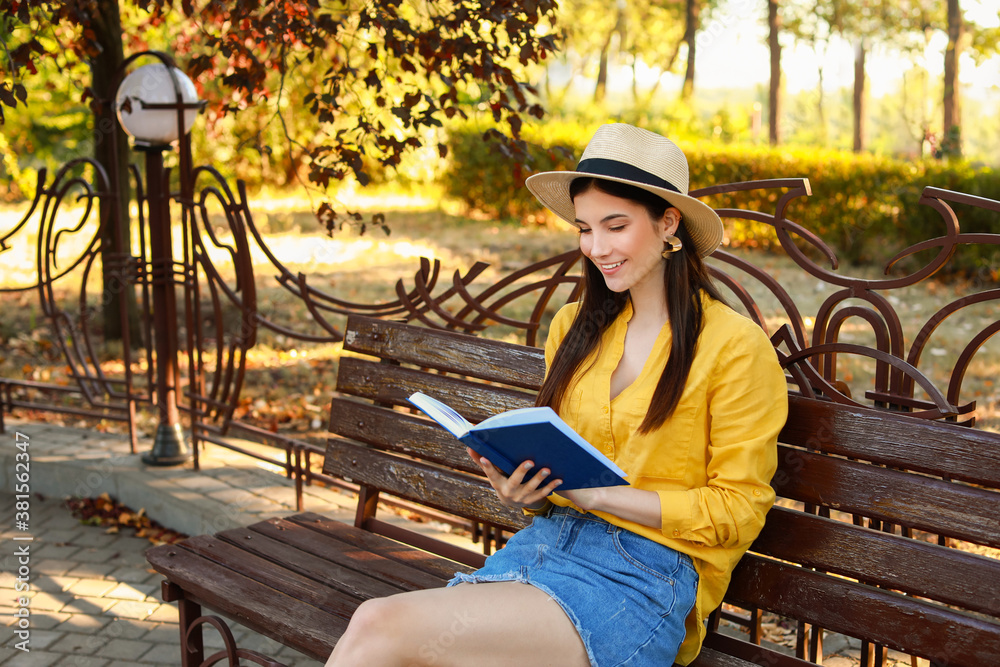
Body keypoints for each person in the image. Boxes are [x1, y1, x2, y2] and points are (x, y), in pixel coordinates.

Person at [325, 123, 788, 666]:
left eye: (616, 226)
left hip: (643, 576)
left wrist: (599, 498)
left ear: (668, 223)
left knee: (379, 625)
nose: (597, 248)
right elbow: (562, 459)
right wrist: (526, 487)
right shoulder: (575, 326)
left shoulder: (733, 346)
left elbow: (739, 508)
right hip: (546, 548)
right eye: (584, 229)